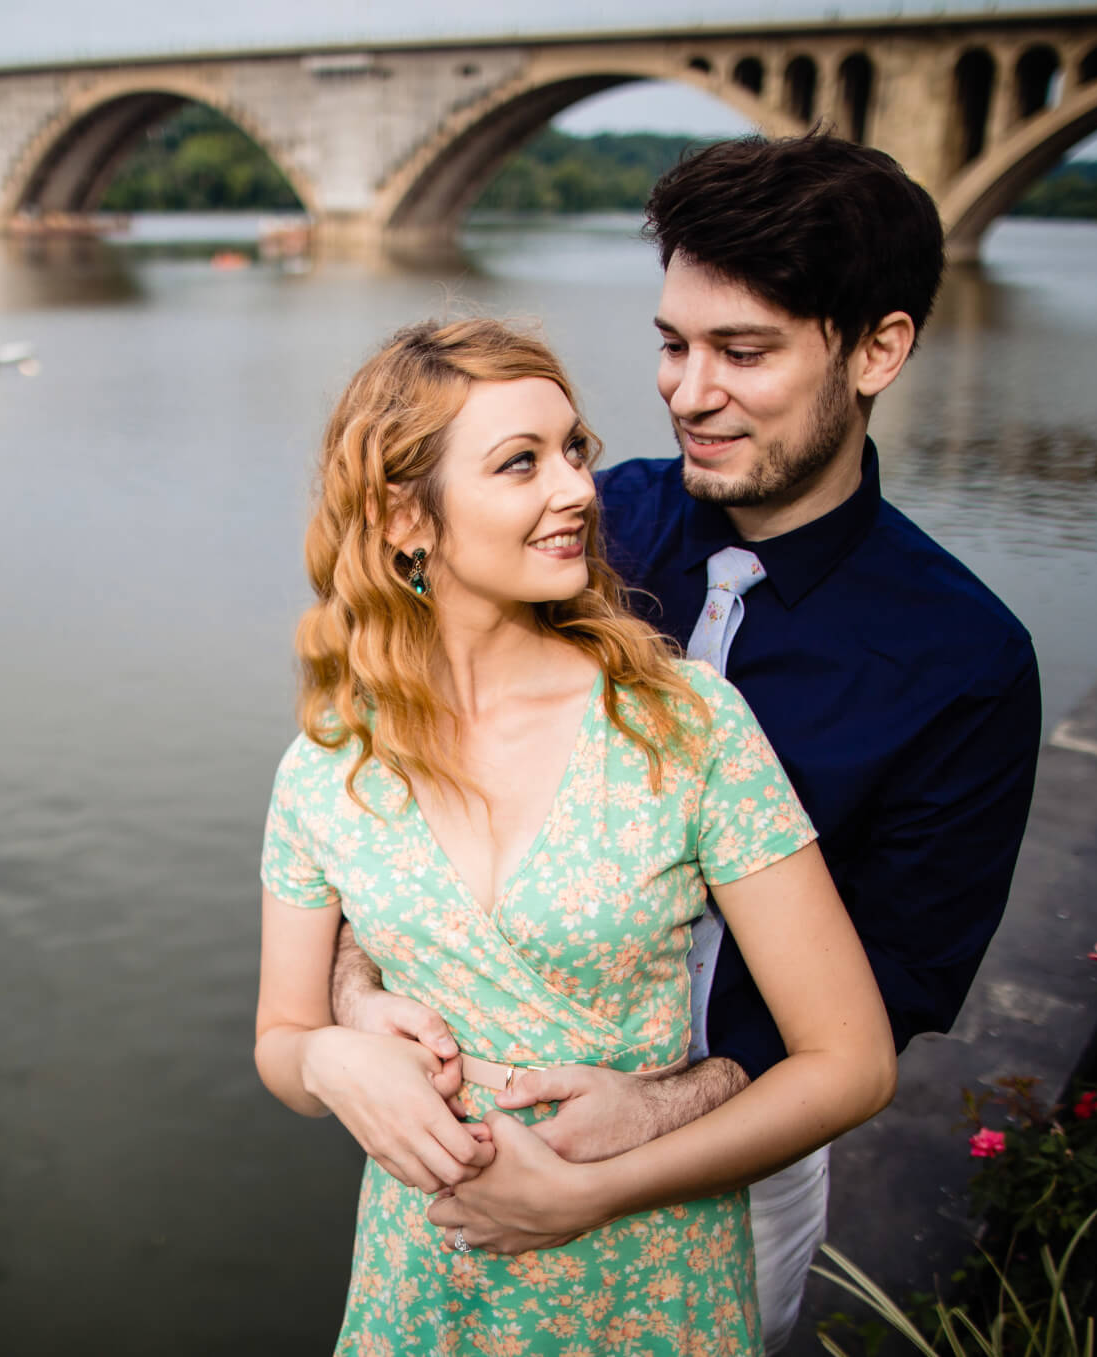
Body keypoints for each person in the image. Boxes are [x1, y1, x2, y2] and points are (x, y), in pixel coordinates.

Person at [331, 134, 1043, 1351]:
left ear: (876, 348)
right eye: (672, 342)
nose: (686, 389)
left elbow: (896, 980)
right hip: (462, 1123)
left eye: (743, 351)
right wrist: (352, 1003)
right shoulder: (571, 527)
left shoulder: (962, 663)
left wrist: (663, 1107)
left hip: (735, 1156)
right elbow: (390, 773)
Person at [252, 318, 898, 1354]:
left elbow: (850, 1062)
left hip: (644, 1282)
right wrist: (332, 1057)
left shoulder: (681, 727)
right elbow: (278, 1041)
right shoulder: (327, 768)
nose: (576, 490)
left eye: (574, 450)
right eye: (520, 463)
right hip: (425, 1283)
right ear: (401, 515)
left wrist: (592, 1194)